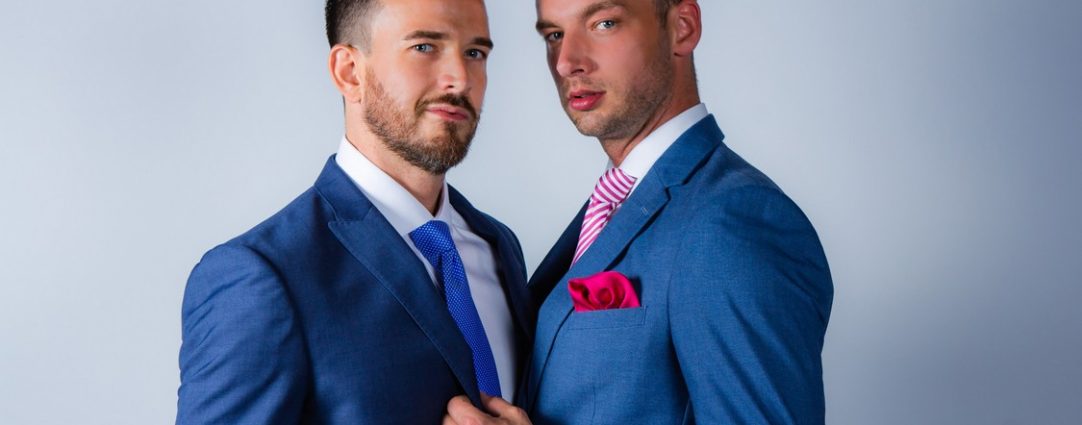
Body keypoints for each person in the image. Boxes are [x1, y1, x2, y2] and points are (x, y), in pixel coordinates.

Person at [444, 0, 833, 424]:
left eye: (604, 23)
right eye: (554, 35)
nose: (566, 62)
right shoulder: (619, 200)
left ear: (682, 27)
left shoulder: (735, 222)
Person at [177, 0, 533, 423]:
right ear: (349, 72)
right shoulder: (261, 275)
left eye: (475, 52)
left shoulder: (498, 246)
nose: (460, 78)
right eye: (424, 47)